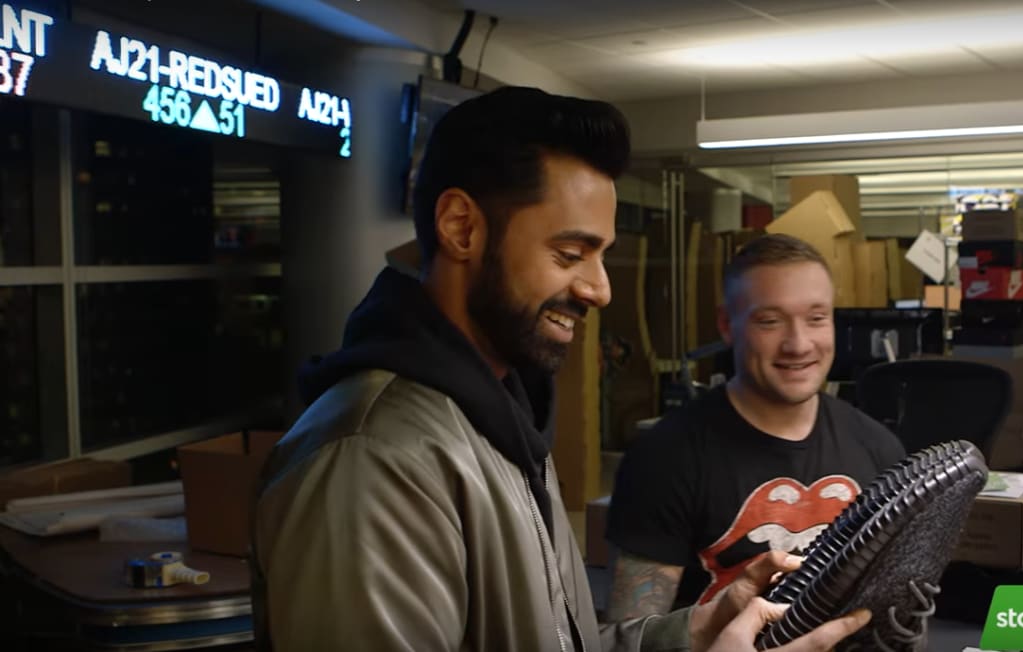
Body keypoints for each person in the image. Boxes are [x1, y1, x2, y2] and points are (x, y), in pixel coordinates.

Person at [250, 87, 870, 651]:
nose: (599, 289)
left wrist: (697, 632)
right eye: (569, 253)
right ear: (461, 227)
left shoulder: (499, 421)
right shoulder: (373, 462)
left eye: (601, 256)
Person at [605, 234, 910, 620]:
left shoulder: (880, 450)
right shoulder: (664, 459)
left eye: (816, 318)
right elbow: (633, 638)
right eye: (770, 321)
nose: (798, 344)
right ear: (726, 325)